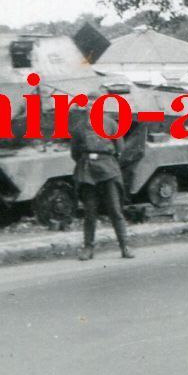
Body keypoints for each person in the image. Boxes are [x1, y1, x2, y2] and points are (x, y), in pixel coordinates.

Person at [69, 106, 133, 261]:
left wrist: (107, 162)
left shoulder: (111, 124)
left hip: (108, 170)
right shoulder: (79, 127)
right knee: (90, 213)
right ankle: (88, 248)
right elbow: (75, 153)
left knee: (115, 210)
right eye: (89, 105)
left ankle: (125, 246)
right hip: (87, 172)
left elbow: (120, 148)